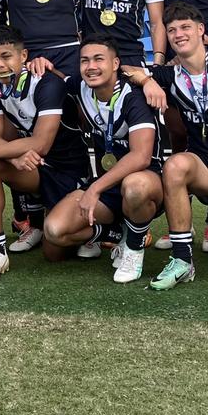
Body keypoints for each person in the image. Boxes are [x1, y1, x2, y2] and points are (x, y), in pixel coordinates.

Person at [121, 1, 208, 289]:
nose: (178, 34)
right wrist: (148, 81)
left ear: (201, 30)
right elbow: (124, 69)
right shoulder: (169, 75)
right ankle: (182, 259)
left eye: (185, 27)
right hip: (205, 168)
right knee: (175, 165)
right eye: (172, 30)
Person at [41, 35, 165, 282]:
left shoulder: (134, 96)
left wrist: (94, 188)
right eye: (85, 60)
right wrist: (42, 64)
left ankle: (133, 246)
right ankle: (114, 231)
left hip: (148, 181)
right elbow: (58, 77)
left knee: (134, 187)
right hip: (109, 185)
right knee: (54, 233)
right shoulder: (81, 86)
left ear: (116, 63)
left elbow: (141, 156)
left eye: (99, 59)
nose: (91, 66)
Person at [0, 26, 91, 283]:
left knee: (54, 253)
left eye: (6, 56)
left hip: (69, 170)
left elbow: (41, 143)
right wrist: (11, 157)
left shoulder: (47, 83)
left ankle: (97, 233)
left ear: (23, 55)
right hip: (35, 165)